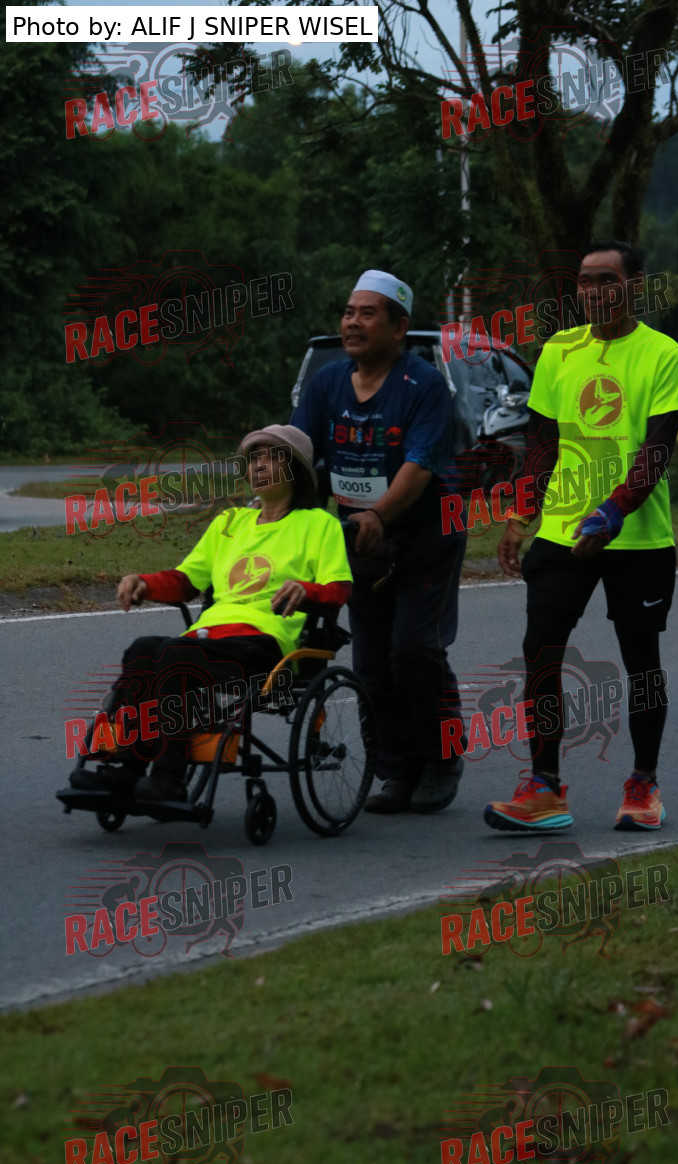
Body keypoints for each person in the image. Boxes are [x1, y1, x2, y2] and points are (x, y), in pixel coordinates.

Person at [484, 240, 678, 834]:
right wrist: (521, 517)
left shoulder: (663, 354)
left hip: (637, 536)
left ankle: (643, 784)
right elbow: (541, 444)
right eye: (584, 281)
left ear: (635, 286)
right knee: (540, 651)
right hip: (562, 530)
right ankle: (544, 787)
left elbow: (657, 450)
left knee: (640, 661)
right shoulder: (558, 350)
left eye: (606, 280)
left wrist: (613, 512)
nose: (593, 291)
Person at [69, 426, 352, 804]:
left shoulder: (319, 525)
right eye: (254, 458)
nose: (259, 465)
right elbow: (187, 580)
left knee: (175, 657)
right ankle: (129, 771)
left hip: (267, 644)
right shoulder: (229, 523)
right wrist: (144, 583)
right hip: (211, 638)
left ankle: (168, 779)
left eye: (272, 457)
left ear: (296, 470)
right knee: (142, 650)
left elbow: (338, 590)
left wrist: (306, 590)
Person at [292, 269, 466, 813]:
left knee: (414, 651)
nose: (353, 322)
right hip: (359, 542)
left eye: (368, 313)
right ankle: (397, 771)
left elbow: (419, 465)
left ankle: (443, 760)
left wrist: (379, 515)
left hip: (426, 536)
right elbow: (299, 455)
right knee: (370, 664)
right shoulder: (327, 383)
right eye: (349, 312)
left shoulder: (423, 385)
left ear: (399, 327)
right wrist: (276, 504)